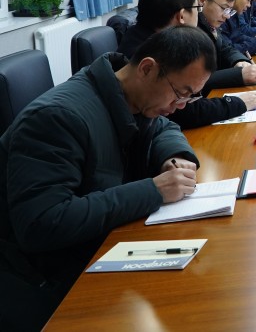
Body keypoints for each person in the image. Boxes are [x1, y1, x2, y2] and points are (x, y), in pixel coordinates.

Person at [0, 27, 214, 332]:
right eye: (180, 93)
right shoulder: (58, 118)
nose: (180, 106)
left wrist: (175, 156)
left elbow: (162, 128)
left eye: (189, 98)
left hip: (100, 244)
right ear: (147, 68)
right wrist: (153, 191)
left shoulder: (130, 95)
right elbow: (42, 224)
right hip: (47, 278)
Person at [118, 0, 256, 127]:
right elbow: (182, 112)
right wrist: (235, 103)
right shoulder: (155, 52)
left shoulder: (146, 36)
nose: (200, 14)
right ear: (181, 16)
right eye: (197, 8)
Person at [196, 0, 256, 94]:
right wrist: (239, 74)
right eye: (224, 8)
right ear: (202, 1)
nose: (227, 16)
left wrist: (239, 61)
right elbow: (197, 79)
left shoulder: (210, 23)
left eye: (229, 10)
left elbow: (226, 48)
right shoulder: (191, 30)